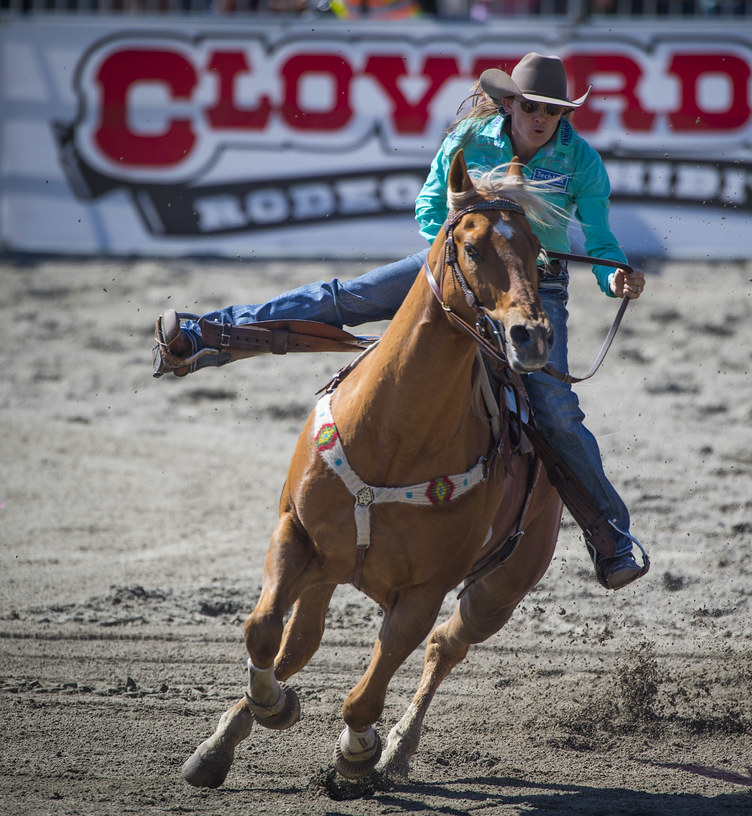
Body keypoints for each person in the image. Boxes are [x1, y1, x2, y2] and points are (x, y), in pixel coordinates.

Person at [153, 53, 649, 591]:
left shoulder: (582, 162)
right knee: (345, 297)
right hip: (458, 262)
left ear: (563, 115)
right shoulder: (472, 139)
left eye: (552, 111)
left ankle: (610, 535)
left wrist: (612, 277)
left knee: (554, 406)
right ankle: (209, 336)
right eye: (531, 106)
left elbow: (599, 241)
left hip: (536, 283)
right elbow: (430, 208)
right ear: (511, 103)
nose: (540, 118)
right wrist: (463, 248)